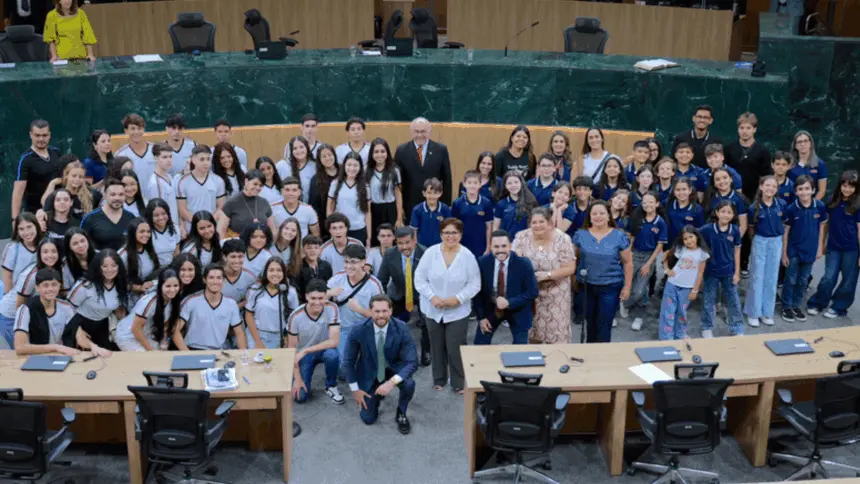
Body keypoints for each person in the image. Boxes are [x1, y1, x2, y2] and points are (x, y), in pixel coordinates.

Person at [414, 218, 480, 394]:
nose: (451, 236)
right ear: (441, 234)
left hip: (458, 311)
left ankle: (458, 381)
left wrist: (457, 299)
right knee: (436, 345)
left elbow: (475, 284)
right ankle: (439, 378)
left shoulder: (467, 256)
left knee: (455, 347)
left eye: (455, 232)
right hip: (432, 308)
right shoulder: (430, 253)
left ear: (460, 234)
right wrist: (432, 297)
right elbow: (419, 279)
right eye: (447, 232)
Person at [344, 295, 417, 434]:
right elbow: (348, 361)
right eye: (377, 311)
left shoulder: (402, 328)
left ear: (390, 311)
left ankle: (401, 412)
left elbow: (412, 362)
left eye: (384, 311)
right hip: (370, 371)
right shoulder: (358, 330)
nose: (381, 315)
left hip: (394, 368)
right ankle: (376, 396)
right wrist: (355, 390)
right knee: (368, 419)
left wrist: (391, 383)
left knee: (408, 383)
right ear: (370, 311)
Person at [512, 207, 577, 343]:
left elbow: (570, 267)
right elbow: (514, 263)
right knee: (532, 331)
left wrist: (547, 275)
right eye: (534, 222)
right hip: (530, 293)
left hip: (557, 293)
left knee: (556, 335)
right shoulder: (521, 237)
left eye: (541, 222)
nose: (537, 225)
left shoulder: (563, 239)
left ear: (550, 223)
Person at [573, 202, 633, 343]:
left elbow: (628, 263)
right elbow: (573, 259)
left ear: (608, 216)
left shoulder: (619, 236)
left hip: (610, 287)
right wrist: (572, 279)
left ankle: (602, 358)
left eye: (602, 213)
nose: (598, 216)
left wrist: (627, 286)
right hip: (586, 286)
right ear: (589, 216)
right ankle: (590, 355)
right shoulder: (580, 234)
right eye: (594, 213)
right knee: (590, 324)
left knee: (604, 325)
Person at [807, 170, 860, 318]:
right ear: (840, 186)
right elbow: (825, 225)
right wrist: (821, 245)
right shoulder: (832, 202)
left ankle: (839, 306)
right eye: (845, 185)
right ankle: (817, 302)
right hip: (833, 247)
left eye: (851, 186)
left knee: (849, 279)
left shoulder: (857, 205)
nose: (847, 189)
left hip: (852, 249)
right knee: (829, 276)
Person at [376, 226, 431, 366]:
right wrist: (381, 302)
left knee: (427, 322)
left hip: (422, 293)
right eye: (400, 243)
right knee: (393, 323)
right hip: (398, 291)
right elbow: (381, 280)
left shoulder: (426, 253)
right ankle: (398, 352)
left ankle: (427, 351)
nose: (404, 247)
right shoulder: (390, 254)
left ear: (414, 241)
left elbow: (432, 280)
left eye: (407, 242)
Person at [474, 230, 538, 345]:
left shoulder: (523, 263)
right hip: (492, 309)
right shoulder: (482, 262)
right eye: (496, 246)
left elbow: (532, 292)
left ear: (510, 245)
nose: (500, 250)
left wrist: (509, 302)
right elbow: (478, 293)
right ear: (491, 247)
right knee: (479, 345)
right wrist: (481, 318)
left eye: (504, 246)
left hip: (518, 309)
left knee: (520, 349)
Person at [327, 245, 383, 373]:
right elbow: (317, 298)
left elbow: (382, 316)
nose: (348, 266)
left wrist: (360, 310)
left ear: (363, 262)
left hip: (366, 329)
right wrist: (329, 293)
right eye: (346, 262)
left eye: (353, 262)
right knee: (344, 368)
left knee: (369, 368)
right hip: (343, 329)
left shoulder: (374, 284)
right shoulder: (338, 278)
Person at [62, 249, 129, 357]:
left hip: (102, 324)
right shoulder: (85, 285)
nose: (110, 270)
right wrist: (77, 331)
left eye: (114, 265)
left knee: (106, 357)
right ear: (98, 267)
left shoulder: (121, 284)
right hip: (80, 323)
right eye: (104, 266)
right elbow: (67, 308)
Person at [781, 175, 828, 322]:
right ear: (795, 191)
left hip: (810, 250)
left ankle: (797, 306)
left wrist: (820, 248)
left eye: (807, 188)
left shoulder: (819, 206)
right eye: (800, 189)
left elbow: (822, 227)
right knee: (791, 279)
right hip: (794, 250)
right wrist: (784, 254)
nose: (804, 192)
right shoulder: (791, 209)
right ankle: (786, 307)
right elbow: (786, 232)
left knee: (803, 280)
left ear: (813, 190)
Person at [289, 279, 343, 405]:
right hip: (304, 355)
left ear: (326, 296)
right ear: (306, 296)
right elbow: (291, 350)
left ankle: (331, 386)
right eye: (313, 298)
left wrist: (306, 349)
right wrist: (297, 378)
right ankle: (299, 379)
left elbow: (334, 341)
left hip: (320, 350)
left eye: (321, 298)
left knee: (332, 355)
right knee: (300, 398)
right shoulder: (295, 316)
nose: (317, 302)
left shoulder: (332, 308)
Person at [620, 192, 667, 332]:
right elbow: (632, 237)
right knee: (627, 283)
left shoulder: (660, 222)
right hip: (634, 255)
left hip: (649, 257)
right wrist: (628, 252)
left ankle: (626, 305)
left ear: (657, 204)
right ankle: (628, 305)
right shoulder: (637, 218)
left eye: (651, 202)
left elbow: (659, 246)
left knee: (640, 290)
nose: (647, 205)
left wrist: (648, 264)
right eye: (645, 202)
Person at [174, 264, 248, 351]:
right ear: (204, 280)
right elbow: (175, 330)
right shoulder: (191, 301)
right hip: (193, 349)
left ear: (224, 280)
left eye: (219, 278)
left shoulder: (231, 304)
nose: (215, 281)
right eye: (211, 277)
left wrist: (243, 354)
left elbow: (239, 333)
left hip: (218, 351)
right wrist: (187, 353)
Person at [743, 176, 786, 327]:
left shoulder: (781, 204)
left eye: (773, 186)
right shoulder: (753, 208)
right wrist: (756, 242)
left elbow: (784, 225)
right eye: (767, 185)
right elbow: (751, 229)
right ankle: (753, 312)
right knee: (757, 276)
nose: (770, 189)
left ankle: (767, 312)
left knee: (771, 277)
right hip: (760, 240)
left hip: (776, 241)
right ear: (761, 187)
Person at [0, 238, 59, 346]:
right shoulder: (32, 275)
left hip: (31, 314)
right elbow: (19, 305)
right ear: (39, 254)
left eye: (53, 251)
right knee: (24, 354)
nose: (50, 255)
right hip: (10, 316)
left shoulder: (55, 270)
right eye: (45, 252)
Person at [699, 200, 745, 337]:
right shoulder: (707, 229)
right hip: (711, 271)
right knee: (708, 299)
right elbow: (695, 239)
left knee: (733, 300)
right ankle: (706, 327)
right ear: (717, 212)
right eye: (723, 211)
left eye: (729, 212)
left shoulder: (735, 230)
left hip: (729, 271)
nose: (726, 215)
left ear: (733, 215)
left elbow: (737, 251)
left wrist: (737, 272)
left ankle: (736, 327)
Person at [12, 268, 78, 356]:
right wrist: (56, 347)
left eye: (54, 284)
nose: (50, 289)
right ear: (37, 288)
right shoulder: (25, 309)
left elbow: (78, 334)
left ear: (60, 286)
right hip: (35, 357)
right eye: (45, 285)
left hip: (61, 355)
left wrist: (93, 346)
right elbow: (20, 347)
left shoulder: (67, 307)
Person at [659, 226, 709, 340]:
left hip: (687, 288)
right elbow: (666, 254)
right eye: (685, 239)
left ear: (696, 236)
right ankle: (666, 337)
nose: (689, 240)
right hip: (672, 284)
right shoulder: (680, 249)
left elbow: (700, 273)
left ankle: (680, 334)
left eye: (691, 237)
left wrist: (695, 290)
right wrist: (666, 270)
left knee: (682, 312)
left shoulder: (702, 253)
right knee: (668, 312)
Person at [114, 268, 181, 351]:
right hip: (128, 337)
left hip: (146, 334)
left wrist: (165, 341)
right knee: (152, 359)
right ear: (161, 286)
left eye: (175, 286)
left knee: (161, 355)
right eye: (168, 286)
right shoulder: (149, 302)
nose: (172, 290)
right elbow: (135, 329)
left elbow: (171, 329)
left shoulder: (173, 301)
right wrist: (151, 351)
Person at [395, 117, 453, 212]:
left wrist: (446, 205)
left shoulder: (441, 150)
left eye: (423, 131)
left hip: (435, 204)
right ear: (411, 132)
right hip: (410, 206)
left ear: (429, 132)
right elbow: (397, 182)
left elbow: (447, 180)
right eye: (416, 131)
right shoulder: (401, 151)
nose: (420, 135)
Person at [12, 120, 63, 220]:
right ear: (31, 135)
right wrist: (15, 220)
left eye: (44, 135)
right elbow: (17, 193)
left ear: (49, 135)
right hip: (34, 216)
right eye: (37, 135)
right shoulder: (25, 159)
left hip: (57, 214)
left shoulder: (56, 152)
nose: (41, 139)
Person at [245, 258, 300, 349]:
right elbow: (248, 315)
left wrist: (287, 338)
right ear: (266, 272)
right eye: (271, 270)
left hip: (279, 336)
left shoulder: (291, 292)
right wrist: (258, 342)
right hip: (257, 334)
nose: (275, 274)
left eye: (279, 270)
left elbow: (294, 318)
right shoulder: (255, 290)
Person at [177, 145, 226, 233]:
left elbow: (221, 206)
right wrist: (198, 223)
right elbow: (182, 209)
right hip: (191, 228)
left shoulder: (218, 181)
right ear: (193, 160)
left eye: (208, 159)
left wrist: (208, 223)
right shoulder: (183, 182)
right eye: (202, 159)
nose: (206, 163)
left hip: (211, 228)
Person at [724, 112, 772, 203]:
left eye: (748, 128)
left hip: (754, 197)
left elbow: (766, 177)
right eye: (741, 128)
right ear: (738, 129)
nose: (744, 131)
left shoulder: (763, 151)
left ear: (754, 129)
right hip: (731, 195)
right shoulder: (728, 149)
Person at [328, 152, 372, 246]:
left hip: (359, 229)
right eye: (349, 165)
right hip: (340, 230)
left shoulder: (365, 186)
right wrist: (331, 231)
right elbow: (329, 209)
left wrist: (369, 237)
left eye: (355, 165)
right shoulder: (335, 184)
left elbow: (367, 213)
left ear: (360, 167)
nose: (352, 168)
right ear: (344, 166)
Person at [217, 169, 275, 239]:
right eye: (255, 184)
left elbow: (272, 230)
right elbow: (221, 230)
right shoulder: (231, 202)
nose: (258, 188)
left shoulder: (264, 203)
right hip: (237, 246)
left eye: (261, 185)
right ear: (246, 181)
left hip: (259, 245)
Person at [81, 178, 136, 251]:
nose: (117, 198)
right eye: (113, 194)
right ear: (105, 195)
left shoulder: (131, 217)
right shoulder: (90, 218)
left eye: (121, 194)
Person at [119, 217, 160, 308]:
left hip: (149, 296)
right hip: (130, 301)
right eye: (142, 232)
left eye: (148, 231)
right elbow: (118, 282)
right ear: (133, 233)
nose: (146, 234)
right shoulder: (123, 255)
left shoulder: (149, 250)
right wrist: (139, 288)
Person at [452, 170, 494, 257]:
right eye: (469, 182)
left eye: (475, 183)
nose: (472, 185)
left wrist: (488, 247)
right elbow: (454, 227)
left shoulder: (486, 203)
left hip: (480, 246)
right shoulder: (457, 203)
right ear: (464, 184)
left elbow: (489, 228)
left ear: (480, 184)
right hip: (462, 245)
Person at [142, 143, 181, 236]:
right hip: (167, 230)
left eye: (170, 157)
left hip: (175, 226)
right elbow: (157, 213)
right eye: (164, 157)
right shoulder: (154, 183)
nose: (169, 160)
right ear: (156, 158)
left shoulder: (169, 176)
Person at [368, 138, 404, 237]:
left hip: (390, 210)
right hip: (374, 210)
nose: (380, 154)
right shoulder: (366, 170)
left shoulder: (395, 170)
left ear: (387, 152)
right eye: (376, 152)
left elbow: (398, 194)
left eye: (383, 151)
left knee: (390, 239)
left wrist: (399, 218)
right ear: (371, 154)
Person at [2, 212, 41, 298]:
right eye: (21, 229)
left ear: (36, 226)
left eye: (29, 227)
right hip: (16, 297)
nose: (26, 232)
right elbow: (7, 278)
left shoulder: (43, 245)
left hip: (37, 297)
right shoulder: (12, 248)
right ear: (17, 231)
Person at [672, 105, 721, 169]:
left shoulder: (716, 141)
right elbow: (673, 160)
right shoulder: (680, 138)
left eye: (706, 117)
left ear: (711, 121)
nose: (702, 120)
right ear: (694, 118)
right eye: (699, 117)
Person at [308, 144, 339, 240]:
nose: (327, 158)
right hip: (326, 224)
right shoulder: (316, 179)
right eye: (323, 156)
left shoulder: (344, 172)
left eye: (330, 155)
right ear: (319, 160)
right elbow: (314, 206)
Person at [410, 177, 451, 249]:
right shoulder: (417, 210)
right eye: (429, 193)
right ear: (424, 193)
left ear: (440, 193)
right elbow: (414, 230)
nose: (432, 196)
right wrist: (415, 245)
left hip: (440, 246)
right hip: (422, 247)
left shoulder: (445, 209)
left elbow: (449, 228)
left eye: (435, 193)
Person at [115, 114, 155, 188]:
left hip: (156, 198)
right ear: (126, 131)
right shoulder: (120, 155)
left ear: (144, 129)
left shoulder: (156, 150)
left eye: (139, 128)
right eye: (133, 129)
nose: (136, 132)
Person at [495, 172, 537, 241]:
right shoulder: (501, 204)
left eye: (516, 182)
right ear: (505, 185)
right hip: (507, 244)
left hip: (525, 243)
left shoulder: (530, 202)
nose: (513, 185)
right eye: (509, 183)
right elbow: (495, 228)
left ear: (521, 183)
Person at [666, 178, 705, 249]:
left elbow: (699, 231)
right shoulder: (667, 204)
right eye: (678, 190)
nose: (681, 193)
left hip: (687, 248)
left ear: (690, 190)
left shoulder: (697, 209)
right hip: (668, 247)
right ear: (674, 191)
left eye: (684, 189)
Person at [789, 130, 828, 200]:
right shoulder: (789, 164)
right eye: (799, 142)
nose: (802, 144)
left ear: (811, 143)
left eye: (805, 141)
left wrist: (811, 206)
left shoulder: (820, 164)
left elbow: (822, 191)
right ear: (795, 146)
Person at [277, 136, 317, 203]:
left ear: (307, 147)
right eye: (295, 148)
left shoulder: (314, 166)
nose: (299, 151)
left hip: (308, 207)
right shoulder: (282, 165)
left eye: (301, 147)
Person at [220, 239, 257, 309]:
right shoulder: (214, 275)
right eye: (233, 257)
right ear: (224, 257)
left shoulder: (250, 277)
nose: (237, 261)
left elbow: (252, 299)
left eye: (240, 256)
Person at [296, 235, 333, 302]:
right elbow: (296, 291)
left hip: (323, 302)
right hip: (304, 303)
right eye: (309, 248)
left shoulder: (326, 266)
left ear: (320, 250)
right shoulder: (297, 267)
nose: (313, 251)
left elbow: (330, 285)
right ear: (303, 249)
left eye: (316, 248)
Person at [42, 188, 80, 253]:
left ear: (71, 202)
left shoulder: (78, 224)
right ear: (53, 202)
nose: (62, 202)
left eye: (66, 199)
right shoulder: (44, 220)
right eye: (58, 200)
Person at [145, 198, 180, 266]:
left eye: (163, 214)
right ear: (150, 216)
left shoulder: (175, 228)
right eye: (156, 215)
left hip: (171, 267)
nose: (161, 218)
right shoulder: (147, 231)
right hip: (154, 269)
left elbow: (176, 253)